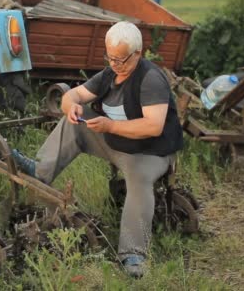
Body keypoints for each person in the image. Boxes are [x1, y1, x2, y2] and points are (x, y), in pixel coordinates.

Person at [11, 21, 184, 278]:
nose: (115, 65)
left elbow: (153, 126)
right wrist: (71, 107)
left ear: (138, 53)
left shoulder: (150, 80)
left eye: (121, 59)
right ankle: (41, 171)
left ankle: (133, 253)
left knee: (138, 176)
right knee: (75, 125)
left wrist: (110, 126)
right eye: (110, 57)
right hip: (116, 143)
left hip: (150, 152)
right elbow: (73, 95)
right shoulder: (109, 74)